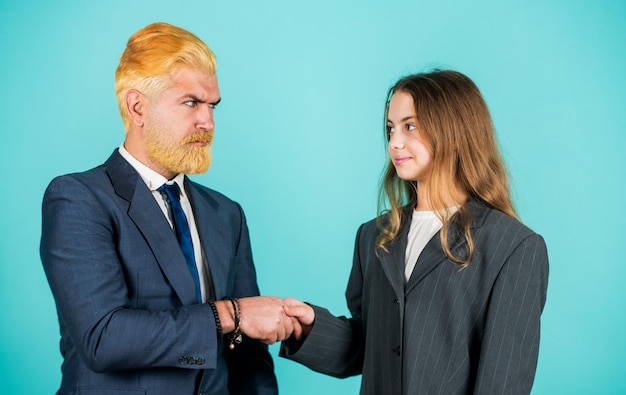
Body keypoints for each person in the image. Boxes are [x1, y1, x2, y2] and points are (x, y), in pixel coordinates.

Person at [40, 22, 294, 395]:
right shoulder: (78, 198)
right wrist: (232, 313)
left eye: (212, 106)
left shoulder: (227, 214)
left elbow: (246, 355)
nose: (207, 122)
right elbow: (103, 338)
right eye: (191, 102)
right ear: (137, 106)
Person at [281, 70, 549, 394]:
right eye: (390, 128)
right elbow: (373, 346)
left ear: (453, 130)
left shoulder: (513, 246)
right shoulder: (373, 236)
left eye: (410, 126)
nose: (394, 142)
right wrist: (309, 327)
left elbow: (502, 380)